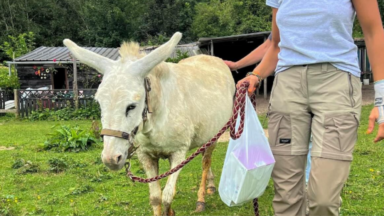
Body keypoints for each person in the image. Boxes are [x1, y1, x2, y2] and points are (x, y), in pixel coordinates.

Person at [236, 0, 384, 215]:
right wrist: (256, 75)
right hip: (287, 85)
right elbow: (277, 44)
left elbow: (373, 31)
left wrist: (381, 98)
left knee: (323, 199)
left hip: (336, 82)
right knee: (286, 196)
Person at [224, 34, 314, 186]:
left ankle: (309, 186)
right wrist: (237, 65)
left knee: (315, 141)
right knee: (290, 140)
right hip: (290, 82)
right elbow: (271, 45)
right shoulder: (282, 13)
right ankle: (301, 186)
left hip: (323, 80)